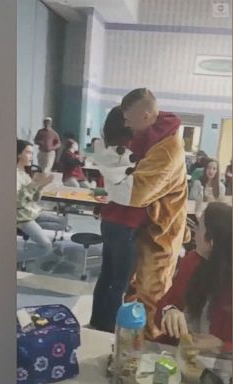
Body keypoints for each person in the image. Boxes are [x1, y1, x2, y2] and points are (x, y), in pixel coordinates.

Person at [101, 89, 191, 340]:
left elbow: (135, 193)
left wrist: (108, 170)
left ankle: (146, 351)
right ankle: (129, 340)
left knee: (151, 295)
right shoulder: (151, 136)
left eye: (129, 118)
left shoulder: (167, 148)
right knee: (132, 291)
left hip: (161, 234)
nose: (126, 124)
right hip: (146, 227)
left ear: (147, 114)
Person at [89, 106, 148, 333]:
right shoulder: (133, 149)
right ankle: (108, 330)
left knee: (106, 276)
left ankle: (97, 321)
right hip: (127, 224)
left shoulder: (109, 149)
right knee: (120, 283)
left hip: (110, 221)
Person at [154, 202, 232, 351]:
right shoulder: (192, 262)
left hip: (222, 365)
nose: (194, 231)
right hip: (179, 353)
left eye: (199, 227)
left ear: (211, 242)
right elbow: (161, 311)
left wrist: (222, 345)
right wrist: (170, 311)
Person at [16, 139, 67, 259]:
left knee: (63, 222)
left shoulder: (23, 173)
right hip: (21, 217)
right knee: (46, 246)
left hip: (31, 211)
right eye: (28, 152)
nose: (31, 156)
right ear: (18, 154)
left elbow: (33, 199)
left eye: (32, 153)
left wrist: (40, 186)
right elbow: (17, 202)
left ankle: (34, 230)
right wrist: (35, 185)